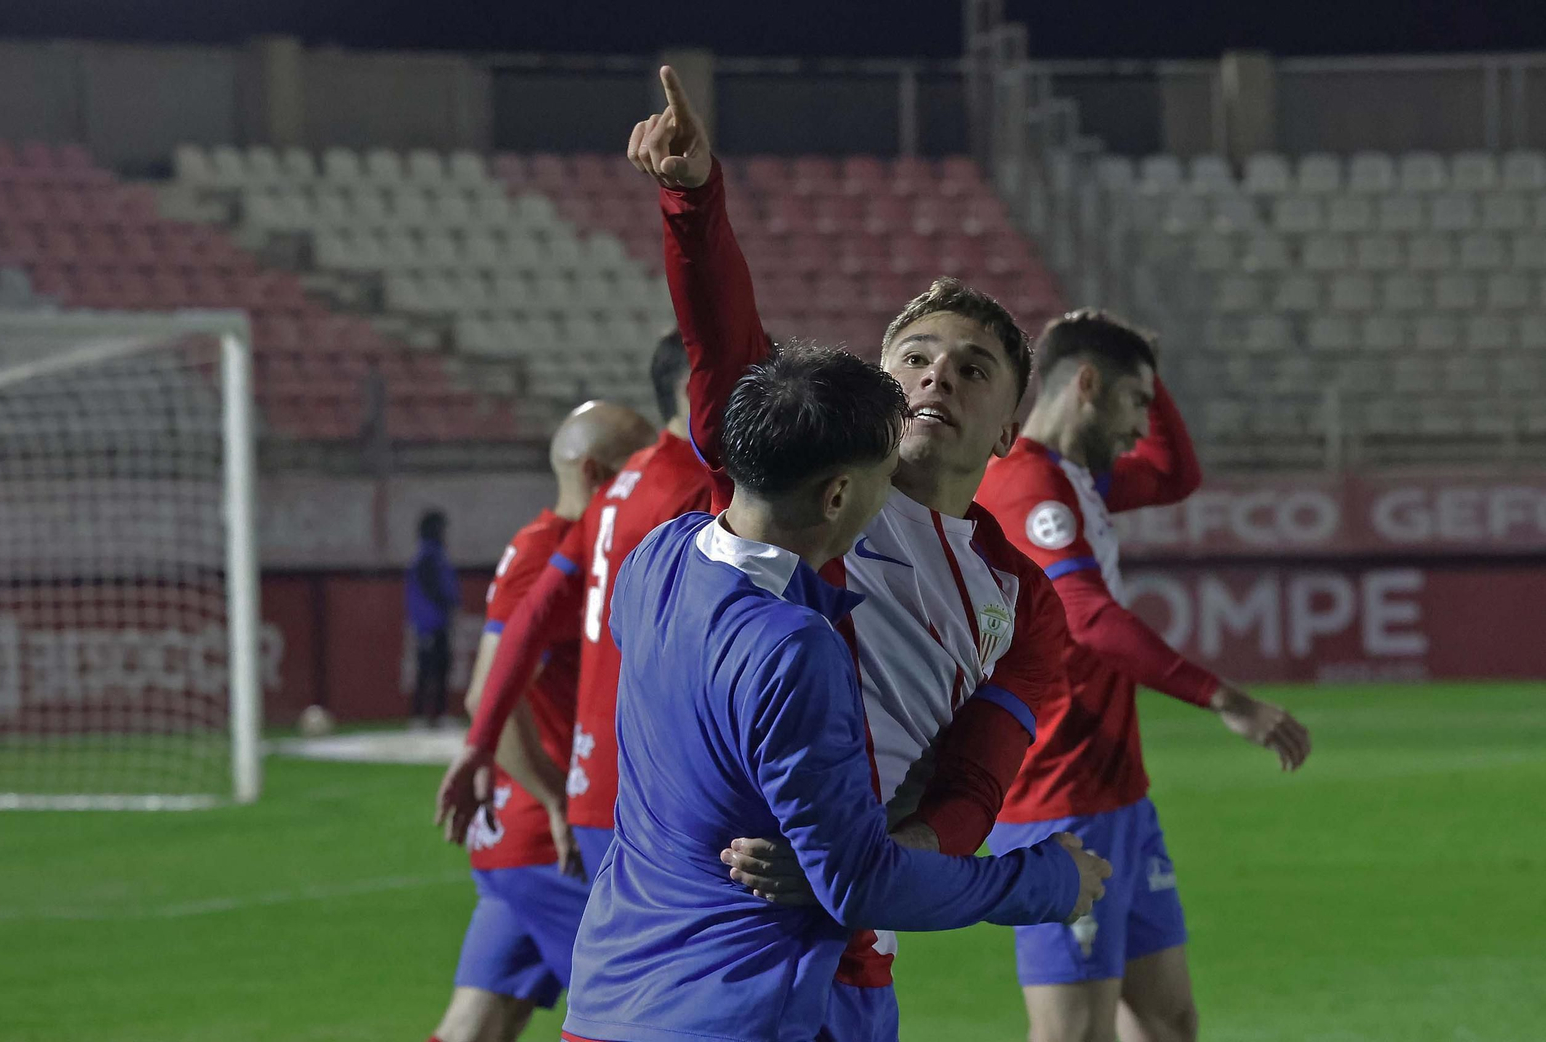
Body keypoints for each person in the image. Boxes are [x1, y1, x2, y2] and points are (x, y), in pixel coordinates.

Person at [627, 66, 1077, 1040]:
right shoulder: (803, 498)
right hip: (717, 930)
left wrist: (866, 861)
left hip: (852, 946)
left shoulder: (1025, 601)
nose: (935, 377)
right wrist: (693, 200)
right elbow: (726, 350)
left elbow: (974, 785)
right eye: (913, 357)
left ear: (1009, 431)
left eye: (972, 368)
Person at [562, 342, 1109, 1042]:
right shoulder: (794, 647)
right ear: (839, 495)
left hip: (608, 999)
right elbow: (861, 884)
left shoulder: (660, 556)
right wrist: (1048, 883)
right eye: (884, 477)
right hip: (739, 1009)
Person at [975, 310, 1313, 1042]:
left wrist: (1148, 375)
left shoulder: (1074, 478)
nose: (1141, 424)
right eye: (1134, 401)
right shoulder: (1027, 487)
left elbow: (1173, 474)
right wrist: (1224, 698)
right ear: (1087, 386)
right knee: (1076, 1033)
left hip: (1117, 791)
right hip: (1057, 797)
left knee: (1167, 1021)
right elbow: (1087, 614)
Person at [444, 330, 713, 878]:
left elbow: (531, 618)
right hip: (658, 796)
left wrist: (479, 743)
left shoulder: (619, 491)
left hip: (593, 789)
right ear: (697, 387)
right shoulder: (700, 487)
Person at [428, 401, 654, 1042]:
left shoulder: (552, 545)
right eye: (632, 467)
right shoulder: (550, 553)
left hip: (516, 839)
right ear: (593, 471)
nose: (643, 479)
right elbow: (485, 699)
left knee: (479, 1023)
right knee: (635, 1013)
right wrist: (557, 798)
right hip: (546, 839)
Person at [407, 509, 460, 729]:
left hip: (437, 621)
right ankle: (419, 715)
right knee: (428, 669)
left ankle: (437, 714)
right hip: (429, 622)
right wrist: (449, 604)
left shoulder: (436, 554)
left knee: (441, 668)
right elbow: (433, 588)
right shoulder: (427, 556)